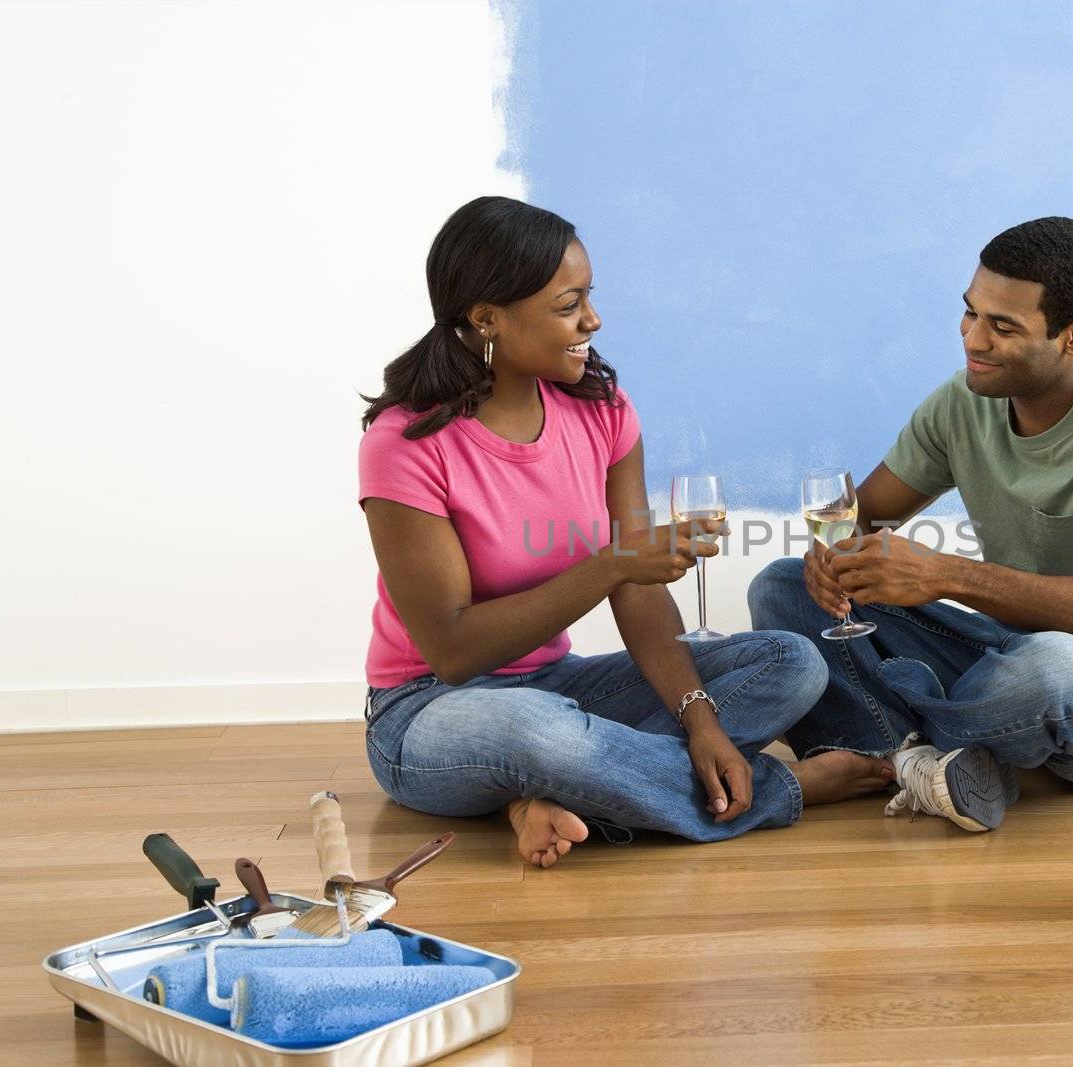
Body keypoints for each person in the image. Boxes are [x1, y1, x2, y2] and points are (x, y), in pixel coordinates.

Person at [358, 196, 893, 867]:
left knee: (791, 662)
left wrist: (700, 719)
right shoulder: (406, 441)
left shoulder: (601, 409)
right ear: (486, 316)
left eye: (589, 297)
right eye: (567, 304)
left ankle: (550, 797)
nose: (592, 319)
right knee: (540, 733)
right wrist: (612, 564)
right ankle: (780, 790)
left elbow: (640, 592)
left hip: (556, 686)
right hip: (427, 711)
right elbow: (454, 651)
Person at [749, 217, 1073, 832]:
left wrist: (946, 575)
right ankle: (926, 761)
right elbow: (862, 517)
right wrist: (833, 562)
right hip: (1008, 652)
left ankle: (891, 744)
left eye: (1002, 326)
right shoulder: (965, 400)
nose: (973, 339)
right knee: (782, 586)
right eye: (970, 313)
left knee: (1047, 671)